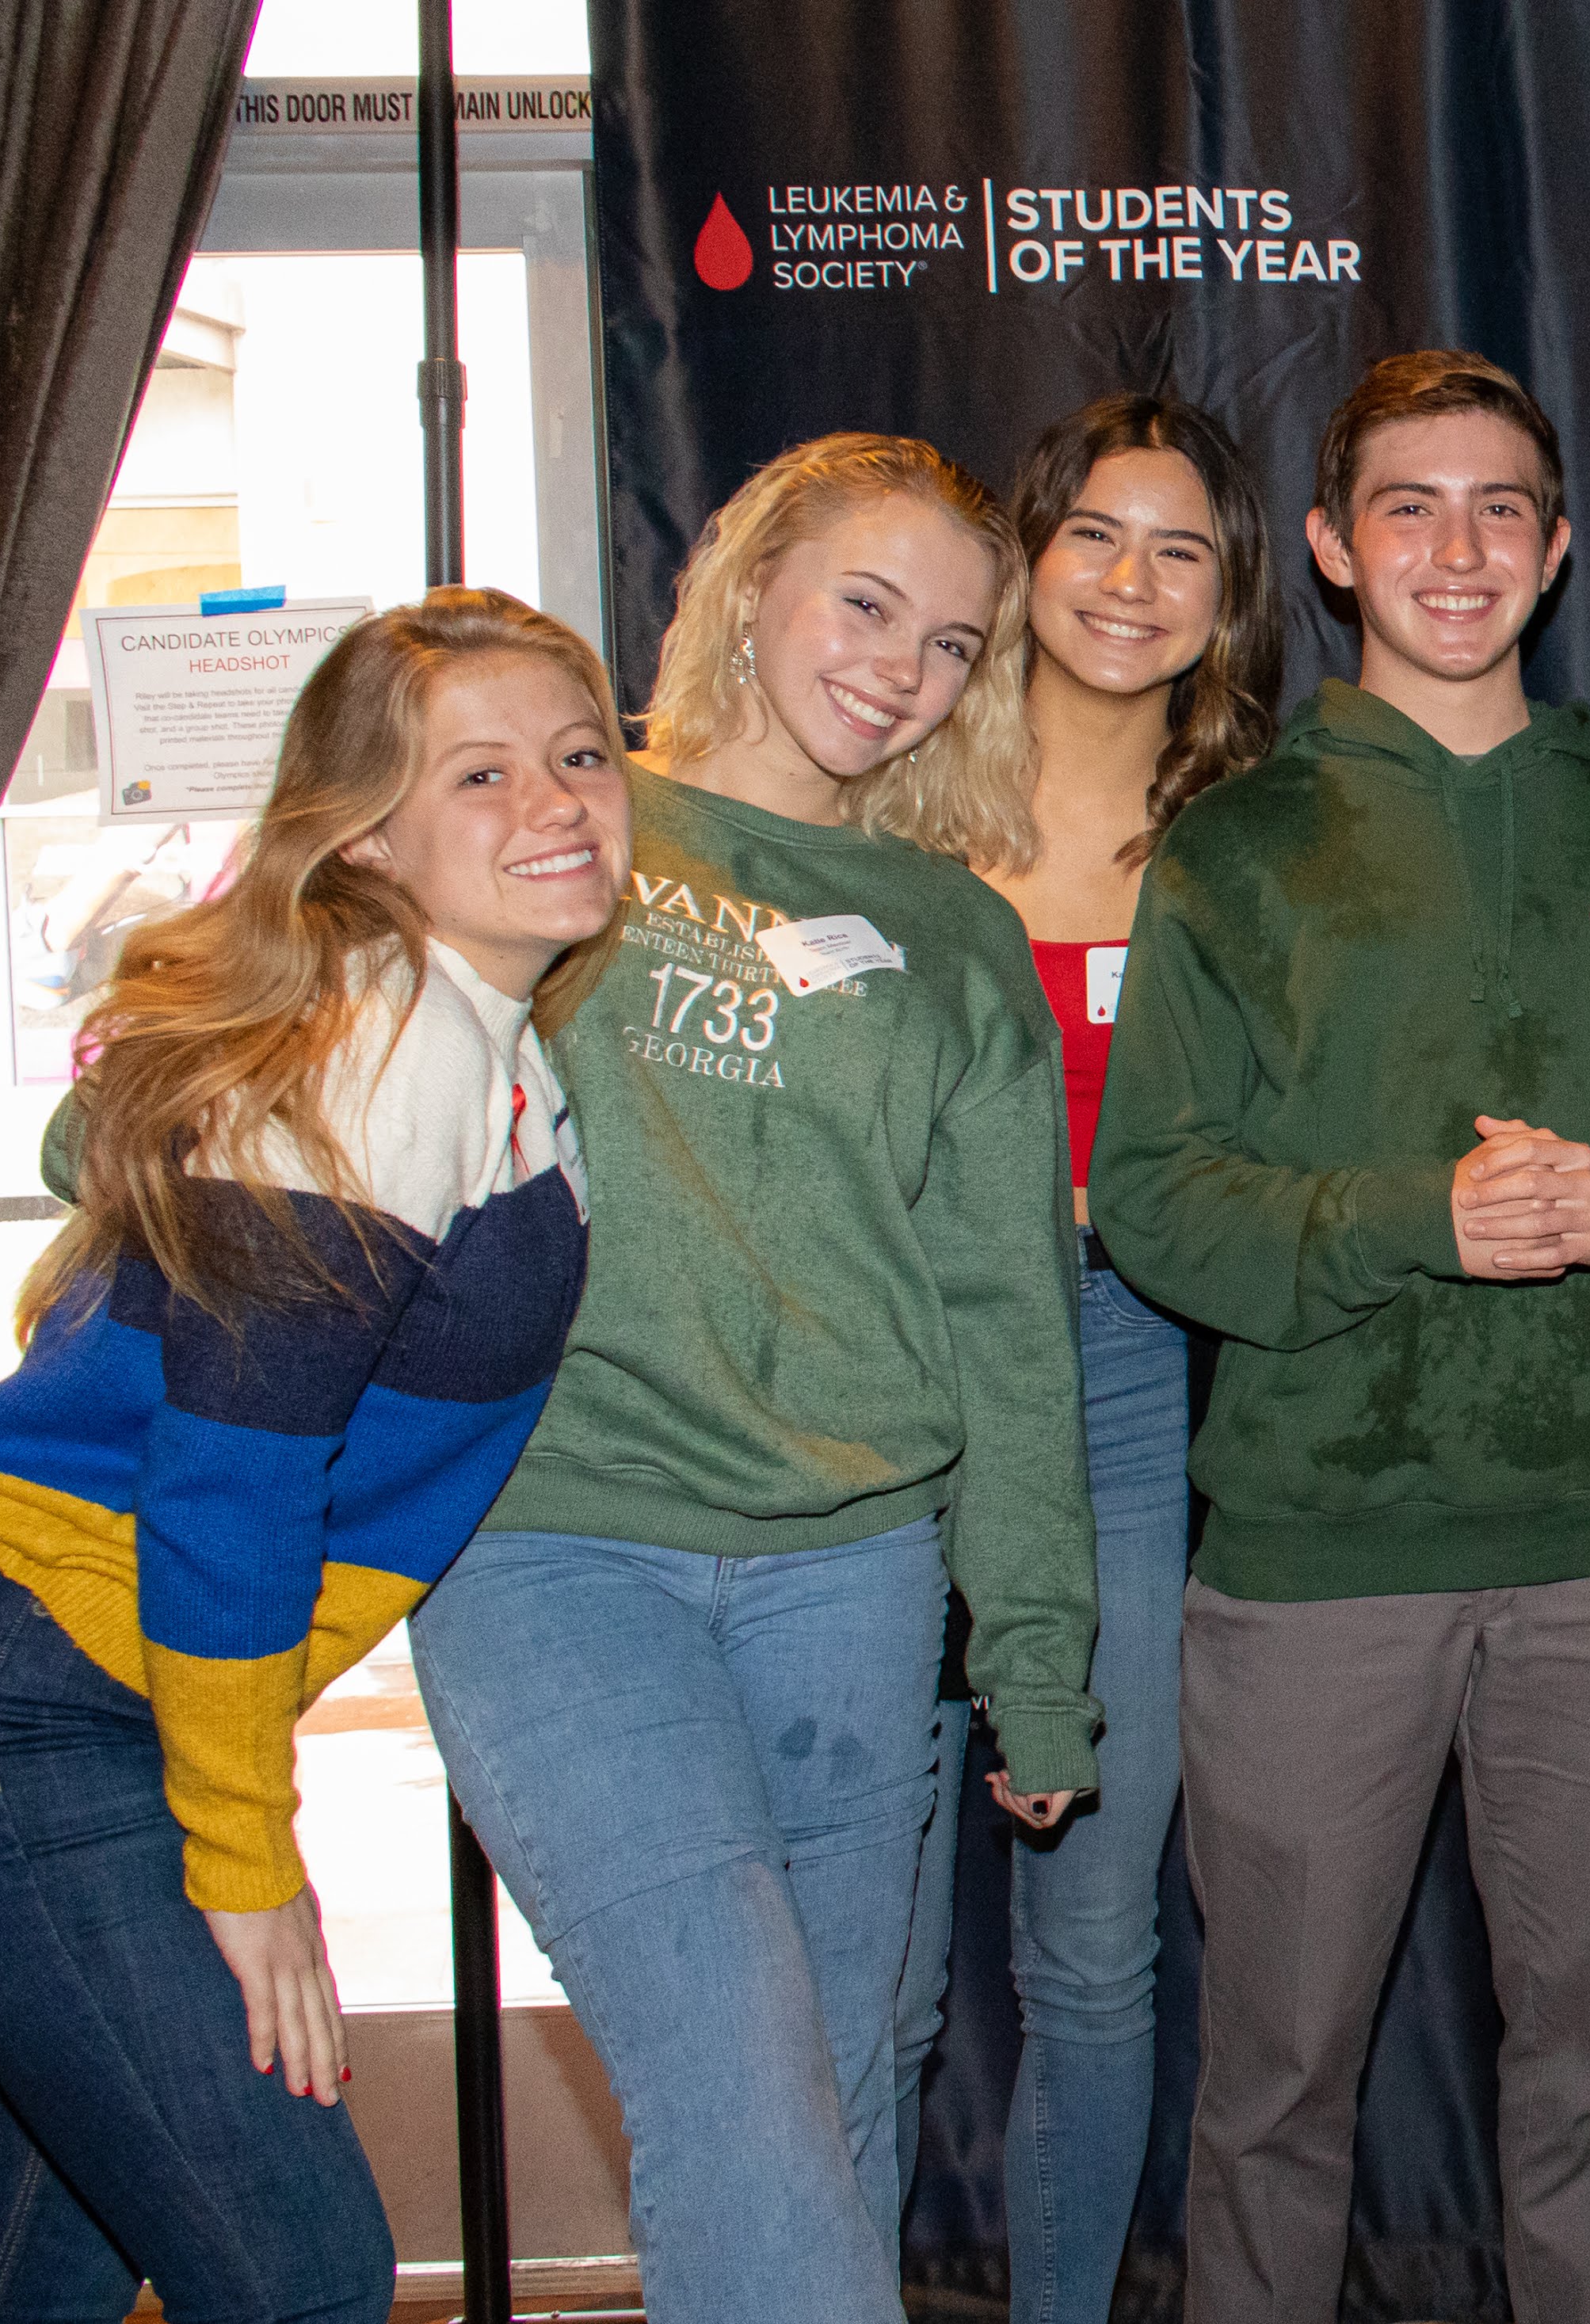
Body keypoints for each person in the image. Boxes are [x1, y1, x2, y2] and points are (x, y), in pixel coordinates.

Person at [1092, 349, 1590, 2324]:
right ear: (1329, 548)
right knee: (1275, 2087)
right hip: (1314, 1566)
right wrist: (1423, 1220)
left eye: (1501, 508)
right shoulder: (1234, 852)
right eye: (1409, 505)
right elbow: (1153, 1197)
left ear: (1562, 550)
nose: (1457, 548)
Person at [410, 434, 1102, 2324]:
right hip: (558, 1546)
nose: (901, 664)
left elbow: (1009, 1326)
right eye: (866, 602)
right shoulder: (572, 817)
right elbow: (298, 1059)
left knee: (848, 2076)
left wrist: (1038, 1651)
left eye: (957, 644)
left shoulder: (954, 935)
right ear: (749, 577)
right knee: (743, 2080)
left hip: (851, 1574)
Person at [0, 589, 626, 2321]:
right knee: (296, 2272)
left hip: (44, 1684)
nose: (558, 804)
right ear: (364, 834)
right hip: (26, 1700)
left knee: (33, 2279)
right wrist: (247, 1856)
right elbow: (233, 1479)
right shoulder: (388, 1032)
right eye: (482, 778)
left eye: (580, 756)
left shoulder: (480, 1037)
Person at [875, 391, 1284, 2324]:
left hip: (1121, 1374)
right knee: (865, 1957)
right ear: (1029, 558)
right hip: (880, 1383)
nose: (1131, 583)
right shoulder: (882, 793)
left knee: (1097, 1950)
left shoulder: (1253, 834)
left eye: (1179, 547)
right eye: (1096, 536)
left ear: (1230, 596)